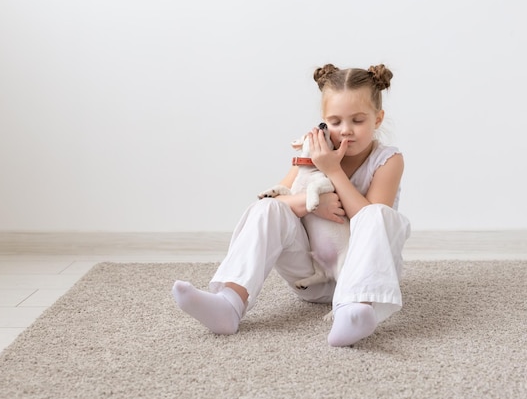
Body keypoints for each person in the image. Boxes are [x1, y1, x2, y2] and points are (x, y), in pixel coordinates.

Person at [172, 63, 411, 347]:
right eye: (335, 122)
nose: (346, 131)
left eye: (358, 121)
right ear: (324, 120)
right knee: (267, 209)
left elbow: (369, 220)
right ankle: (230, 302)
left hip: (364, 280)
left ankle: (351, 310)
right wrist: (312, 204)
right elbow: (274, 200)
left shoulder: (388, 160)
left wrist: (332, 171)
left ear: (378, 118)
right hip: (309, 278)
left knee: (377, 215)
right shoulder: (316, 148)